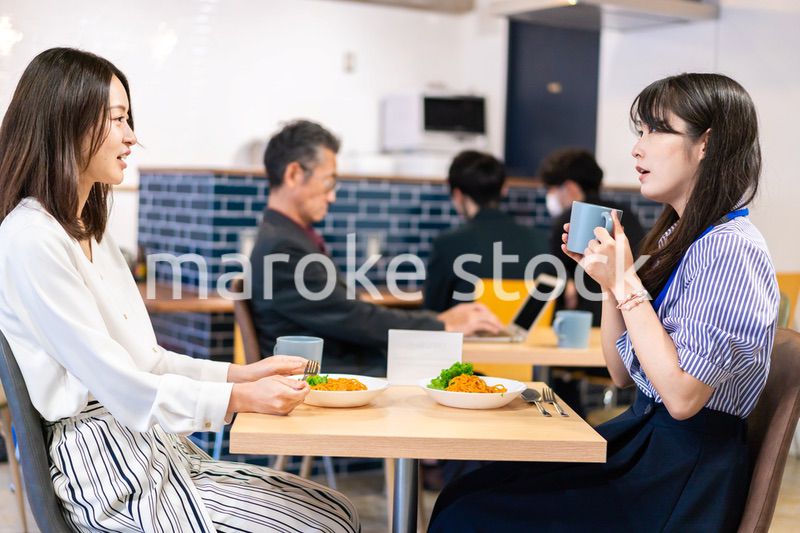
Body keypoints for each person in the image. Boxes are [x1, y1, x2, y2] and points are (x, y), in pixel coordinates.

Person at [0, 48, 359, 532]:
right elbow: (121, 386)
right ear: (66, 122)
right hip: (105, 471)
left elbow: (147, 361)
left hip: (151, 449)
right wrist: (239, 400)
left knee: (338, 512)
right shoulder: (30, 238)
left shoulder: (89, 230)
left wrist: (242, 375)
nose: (131, 137)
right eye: (118, 119)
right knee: (322, 525)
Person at [428, 73, 779, 532]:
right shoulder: (681, 237)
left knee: (468, 510)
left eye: (657, 129)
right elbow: (620, 371)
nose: (638, 148)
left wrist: (626, 280)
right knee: (465, 493)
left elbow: (682, 397)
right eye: (640, 131)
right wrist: (608, 282)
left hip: (679, 472)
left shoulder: (731, 248)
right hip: (650, 443)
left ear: (706, 144)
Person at [250, 121, 503, 376]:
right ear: (293, 174)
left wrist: (440, 323)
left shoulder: (284, 237)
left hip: (352, 370)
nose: (332, 197)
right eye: (329, 183)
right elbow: (354, 319)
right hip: (339, 378)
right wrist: (442, 323)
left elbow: (350, 315)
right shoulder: (283, 248)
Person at [423, 150, 549, 312]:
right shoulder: (540, 240)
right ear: (504, 189)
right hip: (531, 337)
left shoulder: (447, 244)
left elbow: (433, 313)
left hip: (469, 337)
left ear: (457, 194)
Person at [539, 148, 646, 326]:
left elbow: (552, 276)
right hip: (633, 316)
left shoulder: (571, 219)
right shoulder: (627, 215)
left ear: (570, 188)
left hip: (587, 323)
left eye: (551, 189)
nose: (550, 196)